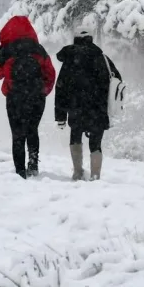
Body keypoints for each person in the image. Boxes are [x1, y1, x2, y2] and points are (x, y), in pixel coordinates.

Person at [0, 16, 56, 179]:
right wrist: (43, 90)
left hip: (15, 97)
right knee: (32, 130)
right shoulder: (38, 49)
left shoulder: (6, 50)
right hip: (37, 97)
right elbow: (50, 74)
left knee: (17, 134)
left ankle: (20, 171)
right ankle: (33, 164)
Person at [54, 29, 121, 181]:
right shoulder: (102, 58)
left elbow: (61, 89)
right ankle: (95, 176)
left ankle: (77, 173)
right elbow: (117, 81)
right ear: (90, 39)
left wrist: (60, 116)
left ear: (76, 39)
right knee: (96, 144)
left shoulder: (69, 61)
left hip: (75, 108)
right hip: (97, 109)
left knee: (75, 138)